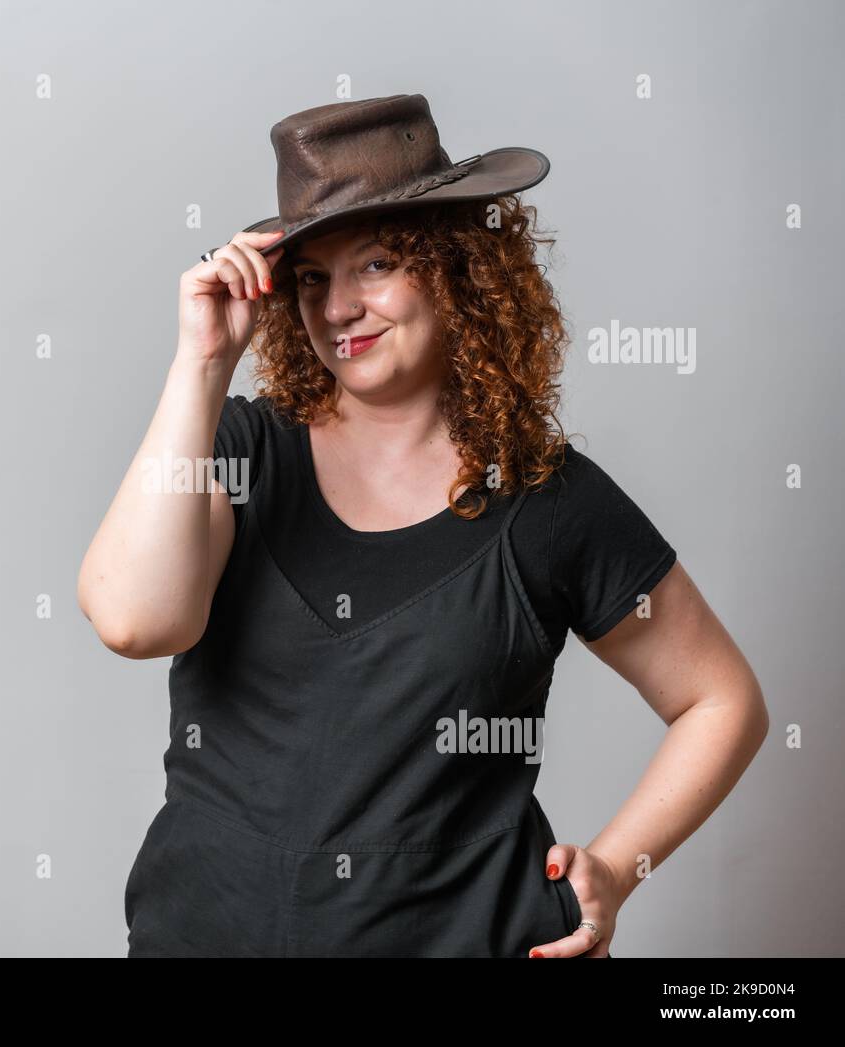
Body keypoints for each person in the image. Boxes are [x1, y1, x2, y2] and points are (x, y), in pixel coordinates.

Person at [77, 94, 768, 957]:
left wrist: (618, 869)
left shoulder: (548, 499)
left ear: (457, 268)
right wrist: (202, 361)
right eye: (314, 279)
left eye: (375, 265)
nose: (337, 310)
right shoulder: (238, 449)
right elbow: (136, 619)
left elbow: (721, 700)